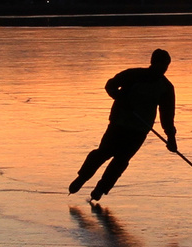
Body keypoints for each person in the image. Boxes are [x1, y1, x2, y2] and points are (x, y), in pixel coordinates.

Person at [70, 48, 176, 202]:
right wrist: (119, 97)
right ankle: (82, 177)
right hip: (119, 123)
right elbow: (111, 85)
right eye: (161, 65)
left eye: (166, 66)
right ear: (153, 63)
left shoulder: (166, 87)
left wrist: (171, 136)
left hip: (140, 130)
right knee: (103, 153)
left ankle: (101, 189)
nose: (163, 69)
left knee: (121, 161)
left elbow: (167, 114)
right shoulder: (133, 75)